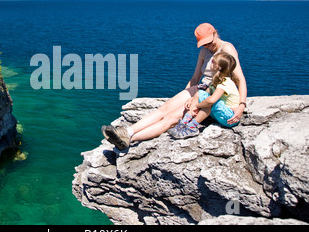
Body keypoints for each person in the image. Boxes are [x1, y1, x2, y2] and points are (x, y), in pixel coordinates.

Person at [102, 22, 247, 150]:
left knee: (171, 118)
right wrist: (186, 96)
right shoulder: (204, 51)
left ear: (215, 33)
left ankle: (128, 140)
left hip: (215, 93)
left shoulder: (226, 48)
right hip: (201, 88)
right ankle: (127, 132)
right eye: (203, 43)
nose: (207, 46)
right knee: (163, 109)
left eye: (209, 42)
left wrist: (241, 105)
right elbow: (196, 77)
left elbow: (240, 79)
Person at [167, 52, 240, 139]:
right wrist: (193, 99)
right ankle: (184, 123)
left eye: (212, 61)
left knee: (208, 100)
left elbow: (212, 100)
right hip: (223, 114)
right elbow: (207, 92)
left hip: (230, 117)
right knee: (200, 94)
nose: (210, 63)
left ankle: (191, 127)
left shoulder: (224, 83)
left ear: (217, 67)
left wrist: (197, 105)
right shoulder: (217, 79)